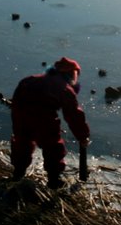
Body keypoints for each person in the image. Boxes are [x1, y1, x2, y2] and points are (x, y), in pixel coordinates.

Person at [10, 57, 90, 189]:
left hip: (20, 113)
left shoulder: (31, 79)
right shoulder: (63, 87)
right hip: (42, 117)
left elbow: (17, 98)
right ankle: (54, 180)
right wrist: (83, 136)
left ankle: (18, 173)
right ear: (70, 74)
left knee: (22, 141)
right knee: (52, 146)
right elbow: (74, 115)